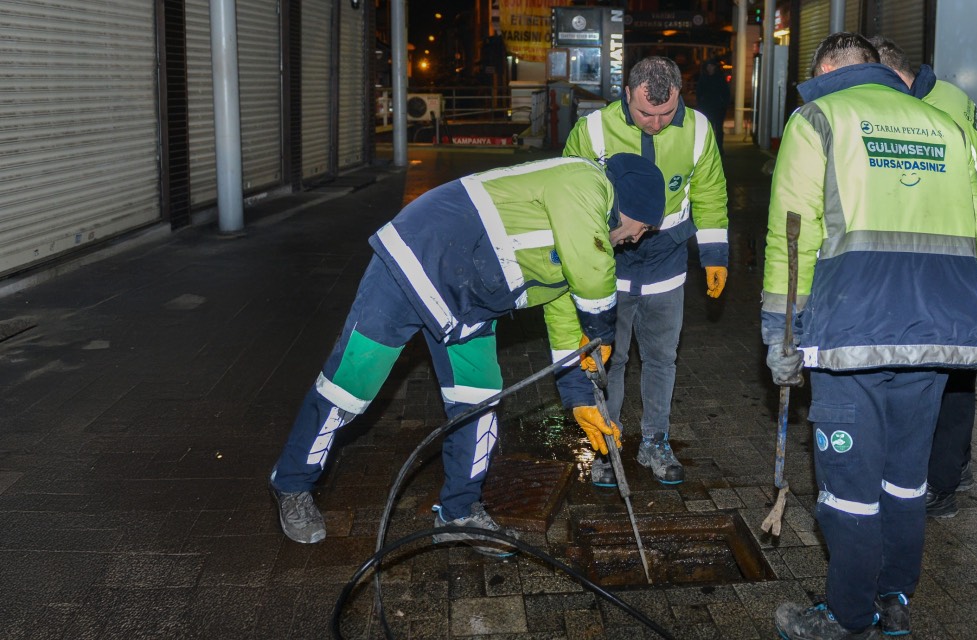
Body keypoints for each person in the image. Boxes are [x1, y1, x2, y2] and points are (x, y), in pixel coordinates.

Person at [268, 154, 667, 554]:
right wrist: (601, 329)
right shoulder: (584, 181)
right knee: (348, 390)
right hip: (414, 263)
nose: (638, 238)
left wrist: (580, 399)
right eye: (644, 227)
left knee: (479, 405)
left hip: (466, 303)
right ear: (629, 206)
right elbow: (592, 270)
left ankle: (457, 514)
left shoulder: (582, 246)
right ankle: (291, 484)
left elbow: (566, 330)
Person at [763, 33, 977, 639]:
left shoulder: (817, 118)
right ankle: (894, 602)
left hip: (851, 334)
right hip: (935, 336)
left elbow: (792, 237)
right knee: (905, 479)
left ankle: (845, 618)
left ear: (828, 68)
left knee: (849, 490)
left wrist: (780, 333)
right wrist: (958, 316)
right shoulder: (945, 125)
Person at [867, 35, 977, 520]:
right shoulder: (944, 94)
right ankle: (957, 468)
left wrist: (969, 296)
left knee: (948, 377)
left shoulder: (932, 115)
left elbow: (967, 215)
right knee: (956, 372)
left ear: (890, 77)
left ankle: (940, 484)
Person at [562, 56, 729, 486]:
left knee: (661, 357)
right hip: (609, 255)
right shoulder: (593, 130)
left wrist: (714, 255)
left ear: (679, 97)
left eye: (666, 113)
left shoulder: (698, 129)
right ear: (626, 95)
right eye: (644, 114)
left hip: (667, 258)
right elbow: (567, 195)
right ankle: (606, 445)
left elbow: (710, 190)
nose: (655, 123)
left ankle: (655, 441)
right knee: (604, 361)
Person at [695, 59, 731, 151]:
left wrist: (724, 104)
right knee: (708, 128)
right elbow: (699, 93)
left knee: (718, 128)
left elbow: (726, 92)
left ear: (715, 67)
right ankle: (708, 148)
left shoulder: (720, 78)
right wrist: (700, 104)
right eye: (708, 66)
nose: (709, 68)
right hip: (706, 107)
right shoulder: (703, 78)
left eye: (711, 66)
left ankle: (719, 148)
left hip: (718, 107)